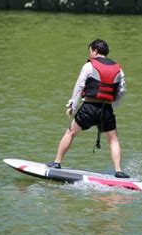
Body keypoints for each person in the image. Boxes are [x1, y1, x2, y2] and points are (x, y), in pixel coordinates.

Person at [48, 39, 129, 178]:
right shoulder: (118, 69)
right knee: (113, 140)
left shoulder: (89, 65)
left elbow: (80, 86)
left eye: (90, 51)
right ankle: (119, 171)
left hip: (89, 107)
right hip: (107, 110)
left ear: (95, 51)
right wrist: (112, 105)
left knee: (70, 133)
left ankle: (57, 162)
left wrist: (72, 106)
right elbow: (122, 90)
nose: (90, 54)